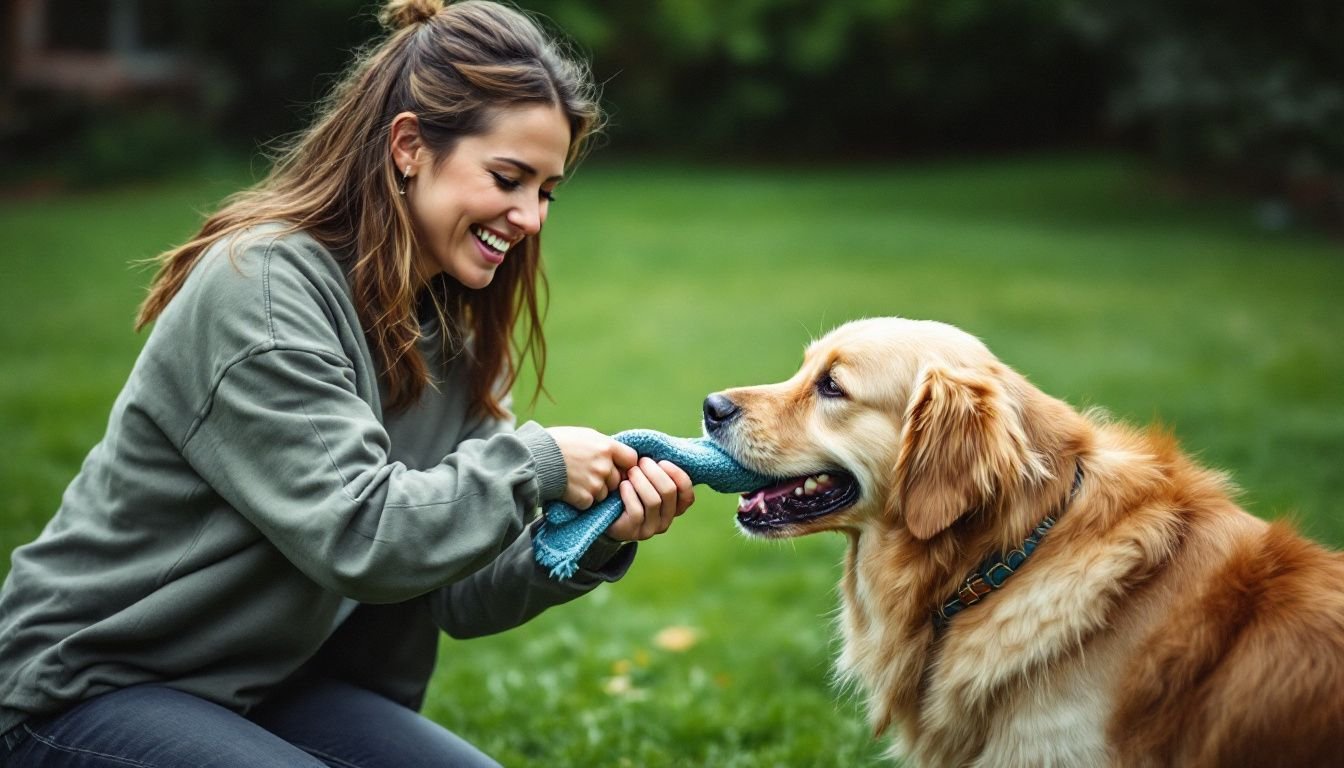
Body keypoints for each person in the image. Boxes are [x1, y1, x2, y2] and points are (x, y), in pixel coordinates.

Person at [0, 1, 695, 765]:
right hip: (87, 687)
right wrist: (536, 464)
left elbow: (454, 587)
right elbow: (363, 536)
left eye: (547, 191)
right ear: (408, 146)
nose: (531, 217)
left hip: (272, 687)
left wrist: (584, 539)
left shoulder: (453, 326)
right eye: (508, 178)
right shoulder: (261, 287)